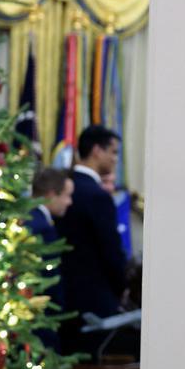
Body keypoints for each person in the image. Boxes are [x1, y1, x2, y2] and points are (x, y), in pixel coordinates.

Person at [56, 125, 129, 356]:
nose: (115, 159)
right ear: (97, 150)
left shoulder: (63, 188)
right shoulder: (97, 196)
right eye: (113, 152)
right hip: (94, 301)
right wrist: (122, 286)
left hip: (62, 296)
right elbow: (111, 252)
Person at [26, 167, 74, 352]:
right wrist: (57, 310)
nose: (69, 202)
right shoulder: (42, 228)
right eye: (67, 196)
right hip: (41, 314)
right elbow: (50, 276)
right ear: (52, 194)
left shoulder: (27, 217)